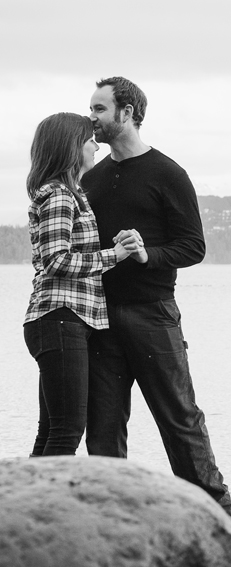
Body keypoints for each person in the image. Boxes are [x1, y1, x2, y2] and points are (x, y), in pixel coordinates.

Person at [81, 76, 231, 529]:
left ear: (127, 113)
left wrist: (148, 253)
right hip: (100, 317)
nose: (91, 117)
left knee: (181, 423)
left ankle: (222, 528)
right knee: (104, 431)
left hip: (153, 316)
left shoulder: (167, 174)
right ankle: (111, 532)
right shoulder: (91, 178)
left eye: (99, 109)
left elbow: (193, 247)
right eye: (92, 109)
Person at [24, 112, 142, 457]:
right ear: (71, 147)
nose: (95, 145)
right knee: (67, 429)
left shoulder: (71, 194)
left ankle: (28, 506)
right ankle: (47, 509)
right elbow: (56, 260)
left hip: (66, 320)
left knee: (53, 429)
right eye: (88, 139)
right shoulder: (60, 196)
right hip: (60, 317)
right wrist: (114, 255)